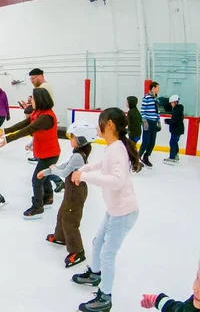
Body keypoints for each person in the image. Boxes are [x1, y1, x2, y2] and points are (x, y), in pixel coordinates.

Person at [71, 107, 140, 312]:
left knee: (107, 254)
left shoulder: (117, 148)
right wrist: (84, 169)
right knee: (97, 242)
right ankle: (96, 273)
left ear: (109, 124)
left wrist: (83, 177)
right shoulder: (113, 147)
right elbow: (103, 163)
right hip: (115, 209)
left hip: (124, 211)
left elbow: (117, 181)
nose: (97, 126)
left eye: (100, 121)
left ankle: (105, 297)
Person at [0, 88, 60, 219]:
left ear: (40, 100)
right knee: (45, 177)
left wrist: (8, 139)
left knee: (37, 180)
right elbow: (25, 123)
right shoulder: (37, 112)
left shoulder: (46, 117)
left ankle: (38, 207)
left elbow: (28, 129)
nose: (31, 101)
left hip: (50, 154)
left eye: (33, 99)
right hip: (45, 152)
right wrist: (6, 130)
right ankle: (48, 198)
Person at [41, 122, 96, 268]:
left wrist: (52, 169)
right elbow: (64, 166)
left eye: (73, 137)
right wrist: (47, 171)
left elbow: (64, 172)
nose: (70, 139)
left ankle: (77, 251)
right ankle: (60, 237)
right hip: (72, 190)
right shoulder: (76, 155)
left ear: (81, 139)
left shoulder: (78, 156)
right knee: (62, 213)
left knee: (70, 220)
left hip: (76, 192)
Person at [139, 82, 161, 168]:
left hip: (154, 122)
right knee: (146, 141)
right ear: (153, 88)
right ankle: (137, 157)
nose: (159, 89)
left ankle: (146, 157)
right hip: (148, 122)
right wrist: (145, 122)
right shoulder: (146, 97)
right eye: (158, 87)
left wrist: (158, 122)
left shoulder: (156, 99)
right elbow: (143, 111)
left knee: (152, 142)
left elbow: (157, 111)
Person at [164, 95, 184, 165]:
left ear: (175, 102)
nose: (171, 104)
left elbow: (175, 120)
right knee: (174, 142)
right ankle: (175, 155)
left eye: (171, 103)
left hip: (176, 130)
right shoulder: (177, 109)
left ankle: (172, 157)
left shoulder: (177, 110)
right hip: (177, 129)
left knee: (173, 142)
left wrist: (167, 121)